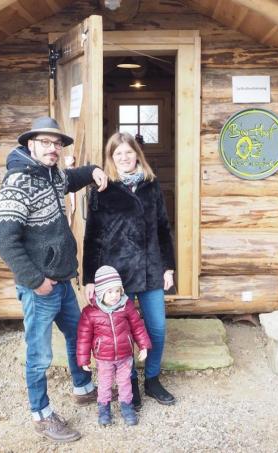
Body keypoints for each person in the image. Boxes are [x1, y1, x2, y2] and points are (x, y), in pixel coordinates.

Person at [0, 116, 108, 443]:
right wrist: (35, 281)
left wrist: (93, 171)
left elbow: (71, 179)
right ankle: (41, 415)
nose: (53, 148)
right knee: (39, 355)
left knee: (77, 335)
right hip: (40, 288)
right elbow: (5, 242)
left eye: (57, 143)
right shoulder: (17, 182)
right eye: (45, 142)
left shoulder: (52, 174)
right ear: (30, 144)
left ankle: (82, 387)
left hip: (62, 281)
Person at [82, 132, 177, 410]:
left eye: (128, 152)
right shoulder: (102, 189)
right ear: (111, 158)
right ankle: (130, 383)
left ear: (137, 154)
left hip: (151, 269)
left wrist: (168, 267)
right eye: (118, 154)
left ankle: (152, 379)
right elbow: (92, 236)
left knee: (157, 328)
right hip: (117, 275)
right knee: (123, 331)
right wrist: (90, 278)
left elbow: (163, 228)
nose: (124, 158)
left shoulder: (151, 185)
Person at [77, 266, 152, 426]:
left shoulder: (127, 306)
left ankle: (127, 408)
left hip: (125, 356)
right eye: (109, 291)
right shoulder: (90, 312)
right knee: (105, 385)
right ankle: (104, 411)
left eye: (117, 291)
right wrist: (83, 359)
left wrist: (144, 346)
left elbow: (138, 327)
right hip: (104, 358)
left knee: (125, 383)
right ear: (100, 292)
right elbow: (84, 337)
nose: (114, 295)